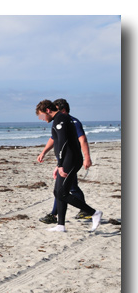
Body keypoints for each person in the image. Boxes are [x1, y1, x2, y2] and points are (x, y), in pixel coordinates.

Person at [35, 100, 102, 233]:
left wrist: (60, 164)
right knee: (57, 192)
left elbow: (64, 143)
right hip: (66, 160)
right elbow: (57, 141)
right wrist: (57, 164)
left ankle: (94, 213)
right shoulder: (58, 120)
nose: (41, 119)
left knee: (63, 193)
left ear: (48, 111)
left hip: (71, 160)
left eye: (41, 115)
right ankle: (60, 225)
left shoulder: (61, 119)